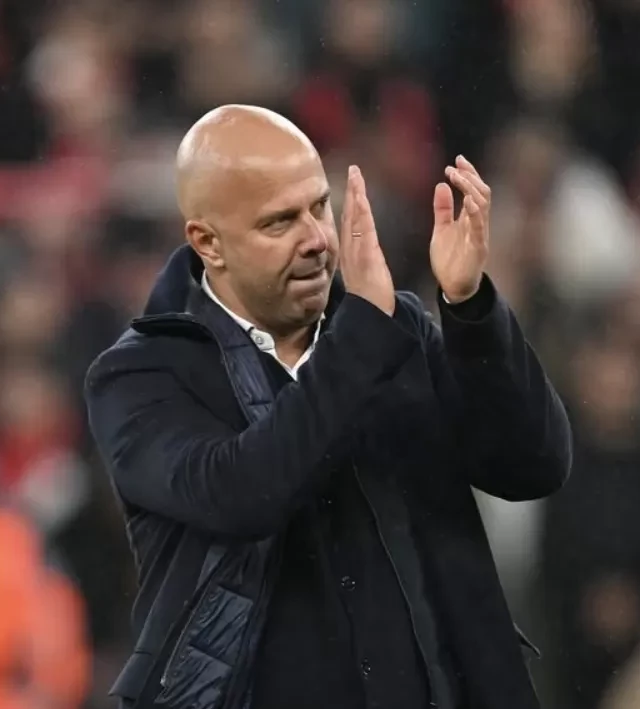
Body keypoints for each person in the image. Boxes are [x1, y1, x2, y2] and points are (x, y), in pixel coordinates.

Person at [85, 104, 572, 709]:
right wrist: (361, 335)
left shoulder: (394, 331)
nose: (317, 239)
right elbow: (243, 493)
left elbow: (533, 466)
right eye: (279, 223)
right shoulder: (141, 376)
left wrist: (470, 309)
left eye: (319, 207)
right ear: (208, 242)